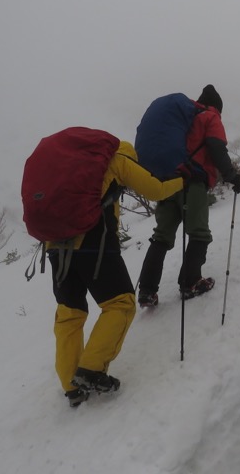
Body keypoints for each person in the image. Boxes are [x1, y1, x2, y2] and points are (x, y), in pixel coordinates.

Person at [49, 140, 185, 407]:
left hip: (55, 246)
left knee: (69, 314)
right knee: (120, 303)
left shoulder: (73, 164)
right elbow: (156, 190)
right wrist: (182, 181)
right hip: (94, 244)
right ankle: (90, 369)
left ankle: (71, 386)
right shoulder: (117, 160)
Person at [137, 84, 240, 309]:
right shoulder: (210, 117)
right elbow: (216, 147)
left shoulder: (186, 118)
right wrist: (232, 175)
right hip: (192, 183)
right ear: (217, 107)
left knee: (161, 237)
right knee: (200, 233)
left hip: (166, 182)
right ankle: (191, 282)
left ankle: (147, 291)